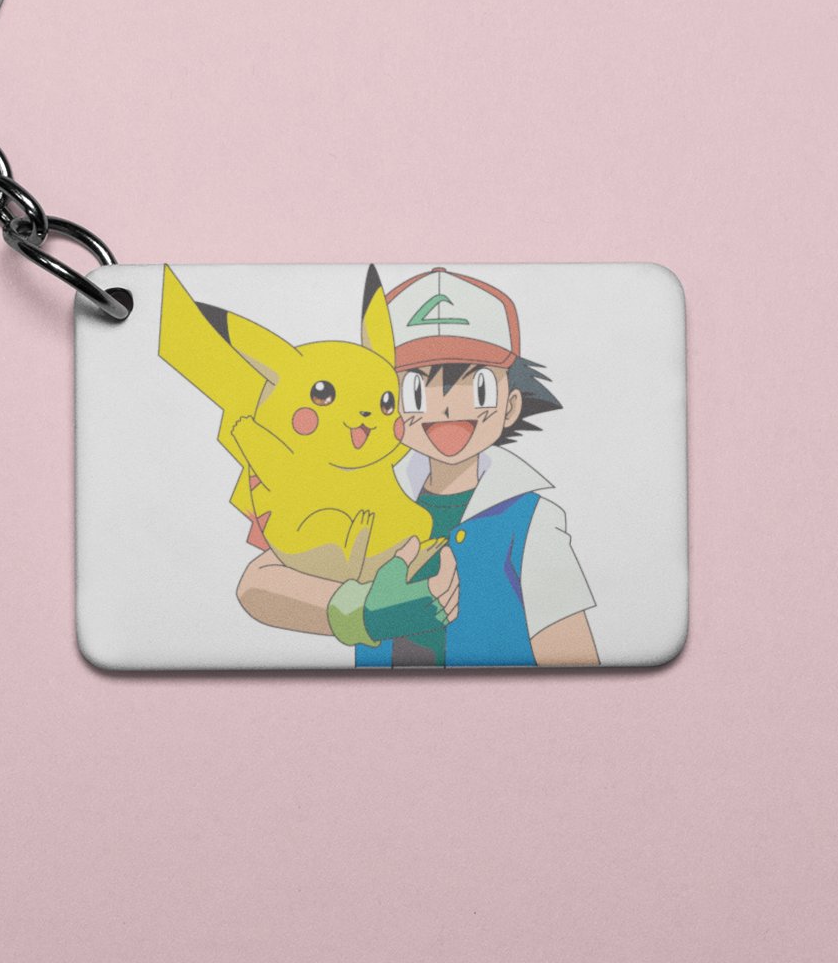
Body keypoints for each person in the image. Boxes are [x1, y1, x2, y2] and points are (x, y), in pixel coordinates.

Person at [237, 268, 598, 667]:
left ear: (511, 405)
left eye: (477, 386)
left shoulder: (532, 520)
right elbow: (257, 583)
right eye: (414, 390)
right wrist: (364, 611)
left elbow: (573, 654)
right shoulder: (362, 489)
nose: (446, 407)